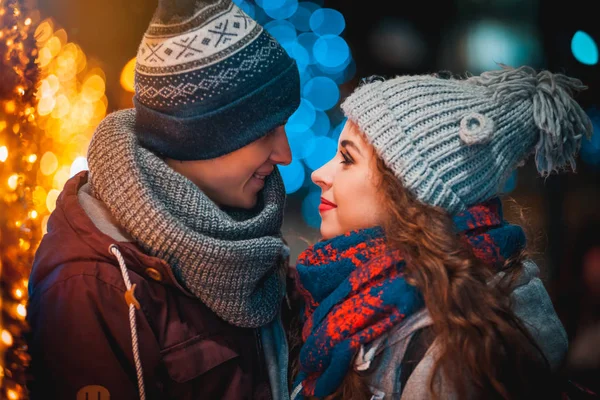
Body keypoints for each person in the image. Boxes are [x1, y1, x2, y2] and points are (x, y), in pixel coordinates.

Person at [26, 0, 300, 399]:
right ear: (198, 141)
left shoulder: (245, 233)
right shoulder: (91, 286)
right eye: (264, 134)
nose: (285, 155)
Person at [288, 65, 593, 399]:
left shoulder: (448, 351)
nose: (319, 173)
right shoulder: (341, 288)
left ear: (411, 190)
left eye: (347, 158)